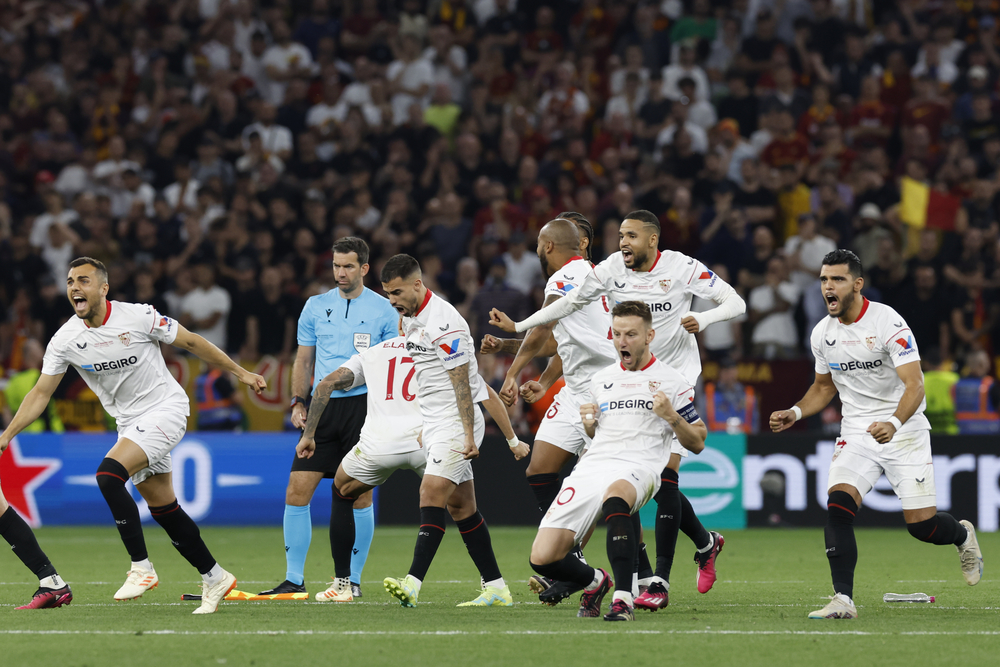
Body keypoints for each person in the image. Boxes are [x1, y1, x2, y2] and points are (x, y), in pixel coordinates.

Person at [490, 209, 745, 610]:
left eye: (630, 235)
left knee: (664, 477)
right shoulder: (608, 270)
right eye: (620, 235)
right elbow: (567, 317)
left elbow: (735, 300)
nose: (622, 241)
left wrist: (704, 317)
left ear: (652, 240)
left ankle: (656, 581)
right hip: (617, 381)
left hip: (671, 376)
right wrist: (520, 327)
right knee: (620, 483)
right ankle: (700, 544)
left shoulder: (681, 267)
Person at [0, 257, 267, 614]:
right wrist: (7, 435)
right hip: (129, 423)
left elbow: (190, 342)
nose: (75, 288)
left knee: (108, 475)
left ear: (103, 288)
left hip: (166, 409)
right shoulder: (65, 338)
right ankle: (215, 576)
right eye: (69, 282)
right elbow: (40, 393)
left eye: (83, 280)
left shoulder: (138, 316)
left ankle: (141, 567)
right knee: (164, 509)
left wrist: (241, 372)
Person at [769, 249, 983, 620]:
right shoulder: (822, 333)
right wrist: (796, 411)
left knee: (922, 527)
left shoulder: (888, 322)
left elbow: (915, 386)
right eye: (823, 279)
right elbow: (823, 387)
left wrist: (894, 423)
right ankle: (843, 600)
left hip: (905, 429)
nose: (827, 287)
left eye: (836, 279)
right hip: (857, 431)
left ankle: (962, 536)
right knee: (838, 505)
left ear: (857, 284)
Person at [296, 333, 529, 602]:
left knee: (341, 490)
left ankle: (342, 584)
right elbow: (485, 393)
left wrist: (309, 435)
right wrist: (512, 440)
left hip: (379, 445)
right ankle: (489, 585)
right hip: (428, 440)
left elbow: (325, 385)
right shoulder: (441, 350)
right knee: (462, 509)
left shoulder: (374, 352)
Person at [528, 301, 706, 621]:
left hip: (642, 466)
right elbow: (599, 437)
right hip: (595, 464)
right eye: (617, 334)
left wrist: (672, 417)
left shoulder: (672, 381)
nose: (623, 341)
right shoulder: (601, 380)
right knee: (542, 557)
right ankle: (596, 581)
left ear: (650, 335)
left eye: (631, 334)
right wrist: (589, 425)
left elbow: (699, 441)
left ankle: (623, 598)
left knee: (616, 496)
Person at [379, 254, 523, 608]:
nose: (392, 300)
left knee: (430, 496)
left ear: (417, 284)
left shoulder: (445, 323)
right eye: (387, 294)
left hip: (454, 425)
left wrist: (469, 434)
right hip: (434, 424)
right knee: (463, 508)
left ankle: (412, 584)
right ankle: (497, 588)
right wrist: (424, 424)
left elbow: (463, 383)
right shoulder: (409, 318)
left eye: (396, 292)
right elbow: (440, 380)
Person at [260, 237, 399, 600]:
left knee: (360, 497)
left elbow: (389, 367)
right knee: (296, 491)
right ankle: (294, 579)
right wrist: (297, 401)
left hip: (364, 410)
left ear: (365, 268)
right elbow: (303, 359)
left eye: (348, 266)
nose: (341, 272)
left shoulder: (386, 311)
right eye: (336, 265)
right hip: (322, 411)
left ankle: (350, 581)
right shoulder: (315, 306)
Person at [490, 217, 619, 604]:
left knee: (609, 489)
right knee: (540, 468)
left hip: (603, 395)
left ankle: (636, 574)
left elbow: (542, 331)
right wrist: (545, 382)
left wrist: (511, 374)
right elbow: (566, 344)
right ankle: (572, 558)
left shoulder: (566, 275)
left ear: (547, 246)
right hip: (574, 390)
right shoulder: (595, 277)